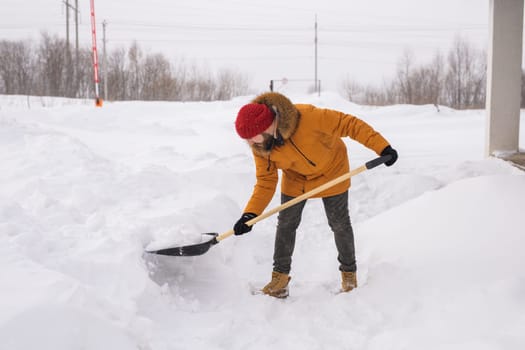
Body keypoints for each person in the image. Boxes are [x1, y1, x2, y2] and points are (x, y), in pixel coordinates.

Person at [233, 92, 398, 298]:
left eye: (251, 137)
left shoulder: (308, 117)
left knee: (339, 223)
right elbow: (266, 182)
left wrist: (382, 146)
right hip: (297, 180)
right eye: (246, 139)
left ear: (267, 126)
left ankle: (349, 276)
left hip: (332, 172)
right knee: (286, 224)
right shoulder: (260, 146)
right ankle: (280, 279)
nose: (250, 143)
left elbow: (350, 124)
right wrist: (250, 215)